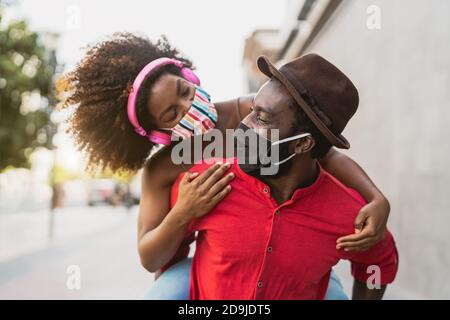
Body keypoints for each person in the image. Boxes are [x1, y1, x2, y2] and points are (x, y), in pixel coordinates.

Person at [58, 33, 391, 299]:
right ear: (160, 135)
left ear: (189, 75)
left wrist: (376, 199)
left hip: (293, 263)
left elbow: (322, 152)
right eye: (172, 114)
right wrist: (183, 212)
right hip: (198, 269)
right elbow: (149, 256)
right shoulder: (165, 167)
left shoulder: (250, 112)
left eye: (184, 91)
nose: (189, 106)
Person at [166, 54, 398, 299]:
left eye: (262, 118)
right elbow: (168, 252)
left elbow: (379, 263)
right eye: (252, 110)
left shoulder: (352, 216)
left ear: (303, 143)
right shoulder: (206, 183)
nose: (244, 124)